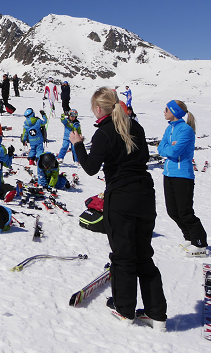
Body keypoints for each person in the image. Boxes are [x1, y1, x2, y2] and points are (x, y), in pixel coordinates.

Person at [70, 87, 167, 328]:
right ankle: (156, 313)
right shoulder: (136, 126)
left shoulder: (104, 132)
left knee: (123, 256)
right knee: (144, 255)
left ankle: (124, 309)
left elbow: (91, 168)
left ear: (98, 108)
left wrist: (78, 144)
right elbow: (142, 157)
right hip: (144, 193)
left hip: (122, 197)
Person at [158, 100, 208, 256]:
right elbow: (161, 148)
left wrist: (169, 148)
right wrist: (168, 147)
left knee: (185, 211)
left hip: (182, 175)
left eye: (167, 109)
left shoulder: (185, 130)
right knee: (172, 211)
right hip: (168, 174)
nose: (164, 111)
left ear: (175, 111)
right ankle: (189, 237)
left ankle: (199, 243)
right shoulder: (169, 128)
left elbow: (174, 152)